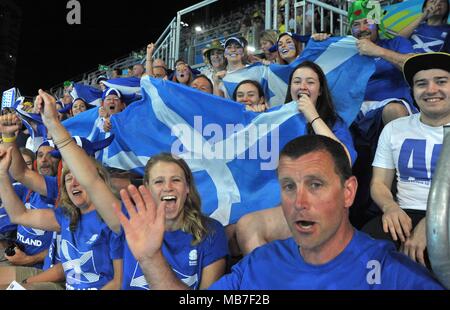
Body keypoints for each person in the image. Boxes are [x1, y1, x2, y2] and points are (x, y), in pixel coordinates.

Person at [115, 135, 444, 289]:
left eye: (315, 185)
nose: (299, 201)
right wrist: (151, 258)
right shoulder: (260, 263)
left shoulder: (394, 274)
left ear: (348, 192)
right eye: (288, 186)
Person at [33, 90, 228, 290]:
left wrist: (152, 258)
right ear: (148, 189)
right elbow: (91, 180)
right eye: (159, 181)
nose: (167, 187)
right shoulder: (130, 221)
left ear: (187, 188)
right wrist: (53, 125)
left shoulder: (210, 232)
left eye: (176, 180)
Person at [234, 61, 357, 255]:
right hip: (274, 201)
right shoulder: (275, 120)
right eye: (297, 81)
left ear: (320, 90)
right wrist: (251, 120)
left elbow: (344, 160)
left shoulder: (333, 122)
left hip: (315, 202)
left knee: (249, 226)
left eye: (310, 82)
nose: (302, 87)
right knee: (226, 232)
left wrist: (312, 116)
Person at [363, 52, 450, 268]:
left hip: (446, 214)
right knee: (363, 254)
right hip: (403, 214)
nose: (431, 90)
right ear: (413, 92)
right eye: (421, 84)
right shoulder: (395, 129)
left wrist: (432, 224)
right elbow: (379, 183)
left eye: (441, 82)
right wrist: (389, 207)